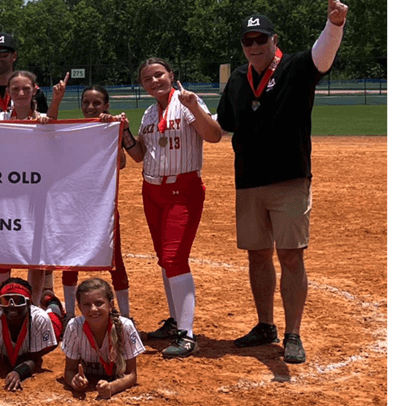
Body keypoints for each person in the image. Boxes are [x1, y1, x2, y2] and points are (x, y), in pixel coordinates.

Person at [216, 1, 348, 364]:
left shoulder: (296, 67)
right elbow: (223, 122)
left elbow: (323, 56)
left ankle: (292, 333)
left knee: (290, 256)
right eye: (248, 41)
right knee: (257, 255)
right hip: (248, 182)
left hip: (289, 178)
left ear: (275, 39)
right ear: (243, 46)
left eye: (261, 39)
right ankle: (265, 326)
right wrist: (190, 107)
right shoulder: (239, 79)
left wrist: (333, 24)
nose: (255, 46)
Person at [125, 58, 223, 358]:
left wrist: (193, 106)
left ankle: (187, 334)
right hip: (152, 190)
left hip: (183, 189)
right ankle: (175, 321)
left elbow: (215, 135)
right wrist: (125, 133)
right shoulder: (149, 112)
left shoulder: (187, 102)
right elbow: (140, 155)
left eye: (158, 75)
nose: (154, 81)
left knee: (174, 257)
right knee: (164, 259)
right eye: (147, 78)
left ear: (171, 75)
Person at [47, 81, 133, 321]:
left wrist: (113, 129)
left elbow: (124, 162)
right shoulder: (73, 129)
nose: (91, 107)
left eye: (97, 103)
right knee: (69, 261)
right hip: (71, 208)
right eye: (86, 102)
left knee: (115, 261)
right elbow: (50, 135)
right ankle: (71, 315)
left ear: (106, 105)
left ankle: (125, 315)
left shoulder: (108, 128)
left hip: (101, 209)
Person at [0, 70, 52, 316]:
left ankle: (35, 305)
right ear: (8, 93)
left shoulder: (45, 120)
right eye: (15, 89)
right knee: (2, 252)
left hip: (36, 195)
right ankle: (2, 307)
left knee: (36, 254)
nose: (20, 93)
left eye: (26, 89)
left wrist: (48, 127)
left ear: (35, 90)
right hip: (4, 196)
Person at [62, 278, 143, 400]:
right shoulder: (74, 327)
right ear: (79, 307)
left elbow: (131, 374)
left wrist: (112, 387)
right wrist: (75, 381)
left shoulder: (125, 327)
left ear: (111, 305)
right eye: (86, 305)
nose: (93, 309)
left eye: (99, 303)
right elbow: (69, 370)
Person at [0, 278, 58, 392]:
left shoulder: (39, 318)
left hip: (46, 329)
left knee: (55, 320)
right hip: (22, 351)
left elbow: (34, 358)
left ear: (29, 303)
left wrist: (19, 372)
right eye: (6, 300)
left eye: (18, 300)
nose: (11, 305)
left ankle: (52, 302)